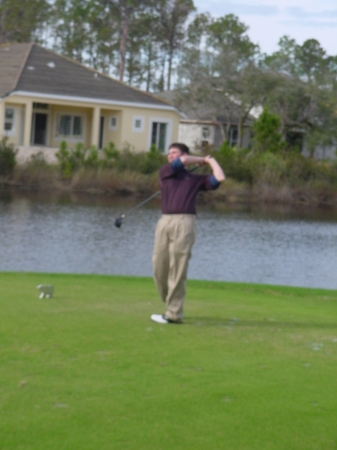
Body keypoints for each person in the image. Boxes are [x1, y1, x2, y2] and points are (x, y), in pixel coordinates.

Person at [151, 142, 225, 324]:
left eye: (174, 152)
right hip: (164, 221)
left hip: (185, 222)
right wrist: (201, 159)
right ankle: (170, 302)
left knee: (178, 268)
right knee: (159, 267)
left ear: (183, 153)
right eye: (168, 153)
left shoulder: (195, 179)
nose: (170, 156)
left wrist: (210, 160)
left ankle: (173, 314)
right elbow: (182, 161)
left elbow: (220, 178)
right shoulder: (166, 172)